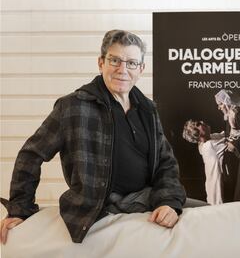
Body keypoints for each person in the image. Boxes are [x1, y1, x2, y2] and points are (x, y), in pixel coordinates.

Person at [0, 29, 188, 244]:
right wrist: (20, 209)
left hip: (147, 198)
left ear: (141, 69)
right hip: (100, 205)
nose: (122, 69)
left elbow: (166, 163)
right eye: (114, 60)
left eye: (131, 63)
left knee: (202, 214)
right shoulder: (73, 106)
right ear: (101, 63)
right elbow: (31, 154)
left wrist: (168, 202)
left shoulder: (148, 110)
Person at [182, 120, 226, 205]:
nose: (202, 122)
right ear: (196, 133)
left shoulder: (211, 138)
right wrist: (218, 205)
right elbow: (213, 177)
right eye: (198, 124)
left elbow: (224, 135)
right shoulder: (209, 146)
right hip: (217, 199)